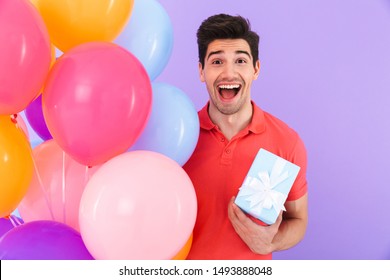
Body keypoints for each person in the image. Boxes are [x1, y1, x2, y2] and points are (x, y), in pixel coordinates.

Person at [183, 14, 308, 260]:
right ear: (201, 71)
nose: (229, 73)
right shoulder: (178, 140)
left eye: (240, 60)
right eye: (217, 61)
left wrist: (272, 241)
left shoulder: (287, 142)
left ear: (255, 70)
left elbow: (299, 219)